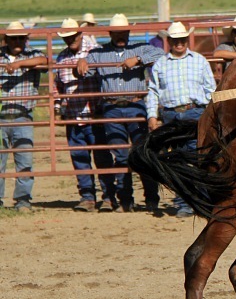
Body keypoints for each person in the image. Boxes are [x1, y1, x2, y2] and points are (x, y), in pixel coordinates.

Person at [76, 14, 165, 213]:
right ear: (110, 33)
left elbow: (161, 54)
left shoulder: (140, 48)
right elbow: (83, 69)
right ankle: (126, 200)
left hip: (135, 104)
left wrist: (139, 59)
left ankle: (151, 198)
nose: (120, 36)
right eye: (117, 33)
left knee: (143, 153)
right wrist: (80, 62)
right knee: (120, 154)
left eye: (123, 32)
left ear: (128, 32)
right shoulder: (98, 53)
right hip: (112, 107)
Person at [146, 21, 216, 218]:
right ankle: (184, 203)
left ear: (187, 40)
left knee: (198, 156)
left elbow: (211, 90)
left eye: (182, 39)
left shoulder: (199, 61)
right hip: (171, 114)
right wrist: (152, 115)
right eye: (175, 40)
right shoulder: (161, 64)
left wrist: (212, 113)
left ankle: (202, 201)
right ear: (169, 41)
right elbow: (153, 91)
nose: (179, 43)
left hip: (195, 112)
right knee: (177, 159)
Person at [54, 18, 114, 212]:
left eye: (72, 35)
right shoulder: (61, 58)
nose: (70, 39)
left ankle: (108, 196)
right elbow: (57, 85)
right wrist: (57, 107)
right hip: (73, 114)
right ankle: (87, 196)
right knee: (79, 157)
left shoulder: (95, 51)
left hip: (94, 113)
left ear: (80, 34)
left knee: (102, 156)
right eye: (67, 37)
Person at [0, 22, 47, 212]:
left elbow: (45, 61)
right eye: (14, 38)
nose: (17, 41)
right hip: (1, 115)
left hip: (22, 115)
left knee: (24, 161)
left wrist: (18, 64)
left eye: (21, 37)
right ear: (7, 40)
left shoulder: (32, 55)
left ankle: (23, 200)